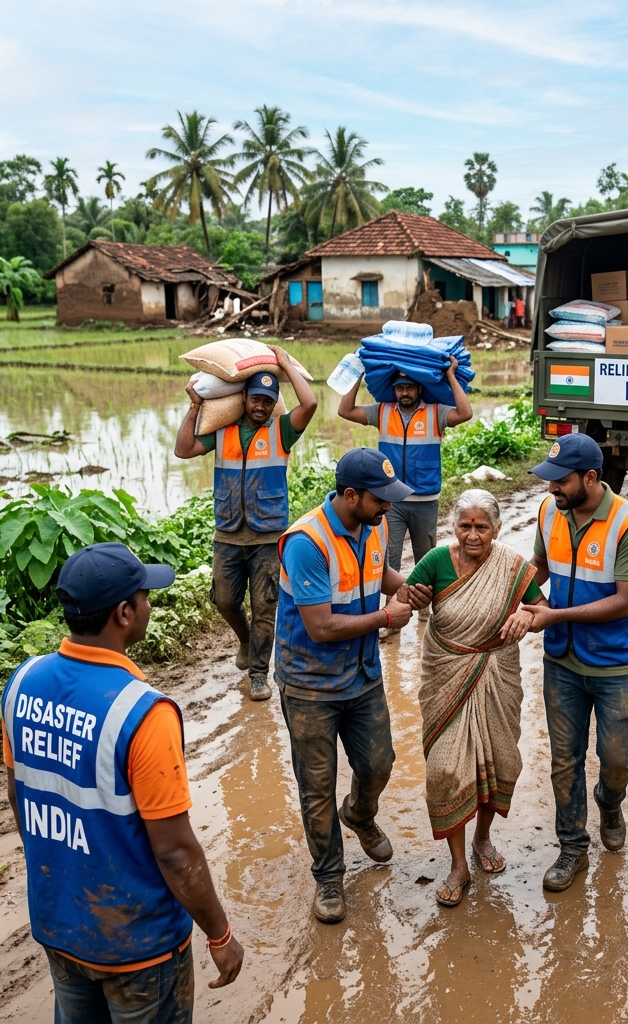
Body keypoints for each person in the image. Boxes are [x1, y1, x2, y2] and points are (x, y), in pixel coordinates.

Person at [1, 543, 244, 1022]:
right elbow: (175, 852)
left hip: (60, 926)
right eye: (144, 597)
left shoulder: (21, 682)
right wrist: (220, 934)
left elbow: (19, 798)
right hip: (140, 948)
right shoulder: (143, 713)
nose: (149, 605)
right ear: (124, 613)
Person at [274, 447, 431, 924]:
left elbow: (378, 574)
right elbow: (320, 626)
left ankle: (359, 814)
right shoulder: (306, 542)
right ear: (349, 495)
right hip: (310, 685)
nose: (389, 507)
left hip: (361, 675)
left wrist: (409, 588)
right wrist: (387, 617)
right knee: (316, 786)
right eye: (380, 499)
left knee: (379, 763)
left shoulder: (375, 524)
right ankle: (329, 877)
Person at [523, 434, 628, 892]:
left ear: (592, 479)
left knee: (618, 757)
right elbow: (539, 566)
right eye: (549, 481)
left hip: (616, 662)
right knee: (565, 759)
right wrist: (512, 592)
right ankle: (572, 846)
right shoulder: (548, 512)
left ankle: (610, 800)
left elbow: (625, 601)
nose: (552, 490)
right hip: (562, 660)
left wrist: (553, 614)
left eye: (560, 482)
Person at [407, 489, 546, 907]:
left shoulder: (513, 566)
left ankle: (482, 839)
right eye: (464, 525)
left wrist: (526, 613)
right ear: (454, 527)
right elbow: (405, 600)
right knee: (445, 770)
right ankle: (457, 865)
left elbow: (542, 611)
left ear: (496, 530)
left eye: (481, 526)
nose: (472, 534)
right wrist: (412, 599)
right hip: (446, 675)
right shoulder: (434, 561)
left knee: (501, 760)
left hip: (496, 674)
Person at [174, 347, 318, 701]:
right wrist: (194, 406)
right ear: (243, 398)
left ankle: (258, 674)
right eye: (255, 399)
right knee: (224, 601)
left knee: (265, 605)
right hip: (228, 532)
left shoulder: (282, 431)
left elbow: (310, 405)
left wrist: (286, 362)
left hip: (268, 535)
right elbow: (183, 449)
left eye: (267, 401)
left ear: (273, 404)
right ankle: (245, 638)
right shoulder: (221, 431)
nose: (260, 407)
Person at [338, 358, 473, 592]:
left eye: (409, 387)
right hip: (390, 502)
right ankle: (393, 614)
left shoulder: (435, 413)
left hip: (426, 501)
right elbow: (345, 410)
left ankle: (425, 612)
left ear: (419, 388)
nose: (405, 393)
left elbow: (465, 413)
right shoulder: (383, 411)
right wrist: (359, 373)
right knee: (390, 561)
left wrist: (450, 374)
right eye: (400, 388)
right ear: (394, 390)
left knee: (427, 560)